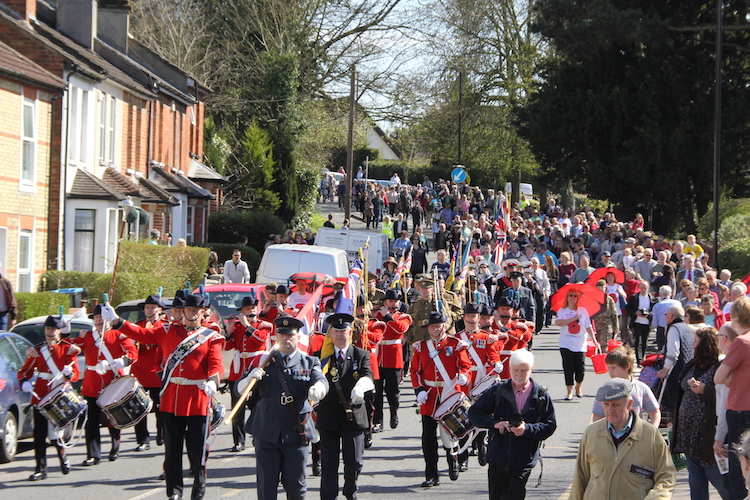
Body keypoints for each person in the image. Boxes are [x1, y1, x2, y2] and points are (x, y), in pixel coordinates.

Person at [101, 294, 224, 500]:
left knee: (198, 450)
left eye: (196, 310)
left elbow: (216, 363)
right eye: (188, 310)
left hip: (197, 399)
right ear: (182, 312)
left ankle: (198, 487)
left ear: (202, 312)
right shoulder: (167, 331)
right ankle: (174, 491)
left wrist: (213, 380)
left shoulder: (211, 337)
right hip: (170, 399)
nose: (192, 314)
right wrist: (117, 321)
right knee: (172, 450)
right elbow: (140, 334)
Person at [237, 317, 329, 500]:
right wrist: (249, 379)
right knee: (266, 486)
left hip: (296, 432)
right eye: (282, 334)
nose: (286, 339)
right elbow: (239, 389)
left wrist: (319, 389)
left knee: (296, 486)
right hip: (266, 431)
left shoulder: (309, 362)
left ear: (298, 337)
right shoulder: (263, 361)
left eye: (290, 335)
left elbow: (321, 380)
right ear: (276, 337)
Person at [468, 349, 556, 500]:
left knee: (514, 496)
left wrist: (526, 429)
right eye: (515, 370)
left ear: (531, 370)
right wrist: (495, 423)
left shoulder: (541, 395)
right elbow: (474, 413)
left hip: (524, 458)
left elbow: (549, 425)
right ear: (509, 370)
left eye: (524, 370)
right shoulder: (498, 391)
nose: (519, 374)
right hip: (498, 457)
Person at [570, 378, 676, 499]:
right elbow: (580, 477)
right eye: (606, 404)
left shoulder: (650, 435)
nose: (610, 410)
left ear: (630, 404)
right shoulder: (592, 433)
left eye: (616, 405)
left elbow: (666, 477)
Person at [315, 313, 374, 500]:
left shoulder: (361, 354)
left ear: (350, 332)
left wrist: (361, 386)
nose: (340, 335)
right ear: (330, 334)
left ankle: (350, 491)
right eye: (336, 331)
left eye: (344, 331)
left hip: (353, 417)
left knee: (354, 462)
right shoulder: (321, 357)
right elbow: (314, 378)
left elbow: (368, 376)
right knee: (329, 464)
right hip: (329, 416)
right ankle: (328, 497)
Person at [410, 311, 471, 486]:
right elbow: (415, 371)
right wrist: (419, 390)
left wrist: (463, 376)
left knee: (451, 433)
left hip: (449, 393)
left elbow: (465, 365)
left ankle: (453, 462)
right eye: (432, 327)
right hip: (429, 396)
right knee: (428, 437)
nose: (435, 330)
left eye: (438, 326)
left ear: (445, 326)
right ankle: (431, 474)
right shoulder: (422, 347)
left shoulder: (456, 344)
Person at [670, 327, 731, 500]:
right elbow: (681, 393)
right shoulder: (693, 364)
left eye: (696, 341)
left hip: (707, 435)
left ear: (705, 344)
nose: (692, 344)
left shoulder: (720, 366)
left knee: (719, 479)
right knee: (695, 481)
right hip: (688, 435)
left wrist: (705, 390)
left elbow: (726, 397)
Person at [73, 305, 138, 464]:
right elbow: (69, 346)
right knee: (92, 420)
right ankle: (93, 454)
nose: (99, 320)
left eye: (101, 317)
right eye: (96, 318)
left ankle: (115, 445)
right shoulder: (88, 336)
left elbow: (133, 353)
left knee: (112, 417)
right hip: (92, 383)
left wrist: (122, 361)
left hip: (112, 381)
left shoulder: (118, 334)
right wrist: (67, 332)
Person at [18, 316, 80, 481]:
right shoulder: (37, 350)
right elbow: (25, 371)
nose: (50, 332)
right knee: (39, 434)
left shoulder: (67, 349)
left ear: (59, 331)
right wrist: (24, 381)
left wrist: (69, 374)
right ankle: (40, 469)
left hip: (58, 393)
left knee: (57, 431)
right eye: (47, 329)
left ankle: (63, 457)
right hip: (40, 395)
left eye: (53, 329)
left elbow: (75, 374)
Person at [224, 295, 273, 452]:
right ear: (242, 311)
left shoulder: (264, 325)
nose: (251, 311)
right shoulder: (238, 326)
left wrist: (247, 326)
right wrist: (229, 330)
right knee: (237, 408)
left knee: (257, 407)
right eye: (247, 309)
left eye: (253, 308)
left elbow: (260, 341)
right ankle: (238, 441)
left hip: (256, 368)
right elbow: (227, 346)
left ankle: (258, 435)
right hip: (239, 370)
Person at [714, 296, 750, 499]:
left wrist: (731, 378)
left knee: (739, 471)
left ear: (736, 318)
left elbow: (719, 377)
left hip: (739, 410)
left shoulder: (740, 343)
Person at [131, 295, 167, 451]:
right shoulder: (138, 326)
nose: (149, 310)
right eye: (147, 307)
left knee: (161, 408)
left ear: (159, 310)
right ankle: (142, 440)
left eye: (152, 307)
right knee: (139, 409)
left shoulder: (165, 327)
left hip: (157, 374)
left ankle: (162, 435)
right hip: (140, 372)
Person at [591, 346, 661, 427]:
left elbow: (655, 412)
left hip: (636, 435)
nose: (610, 372)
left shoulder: (641, 388)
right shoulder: (606, 389)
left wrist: (653, 431)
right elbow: (597, 415)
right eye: (608, 367)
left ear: (627, 367)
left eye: (613, 367)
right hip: (611, 436)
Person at [373, 290, 412, 431]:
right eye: (390, 301)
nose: (393, 304)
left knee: (392, 391)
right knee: (376, 392)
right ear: (385, 303)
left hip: (393, 358)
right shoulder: (378, 316)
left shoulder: (404, 316)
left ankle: (394, 414)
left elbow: (400, 329)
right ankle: (378, 421)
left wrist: (388, 316)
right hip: (378, 358)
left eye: (395, 301)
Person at [555, 288, 599, 400]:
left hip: (580, 343)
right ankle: (569, 391)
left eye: (575, 296)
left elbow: (588, 326)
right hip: (566, 343)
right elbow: (558, 322)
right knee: (568, 367)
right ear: (567, 297)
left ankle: (578, 387)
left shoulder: (583, 311)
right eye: (571, 295)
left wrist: (594, 340)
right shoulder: (562, 310)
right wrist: (573, 318)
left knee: (580, 368)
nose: (573, 298)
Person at [656, 303, 694, 420]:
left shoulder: (674, 328)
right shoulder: (686, 327)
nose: (665, 316)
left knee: (674, 403)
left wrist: (665, 369)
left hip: (675, 372)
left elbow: (673, 353)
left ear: (671, 316)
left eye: (666, 314)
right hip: (686, 370)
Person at [626, 280, 655, 365]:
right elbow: (628, 309)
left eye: (645, 288)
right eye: (641, 288)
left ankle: (643, 357)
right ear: (639, 288)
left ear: (648, 288)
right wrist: (635, 313)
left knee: (645, 341)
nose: (643, 290)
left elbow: (654, 311)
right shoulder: (634, 297)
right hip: (637, 322)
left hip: (647, 323)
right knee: (638, 340)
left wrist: (648, 315)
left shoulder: (651, 298)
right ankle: (639, 360)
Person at [592, 279, 619, 350]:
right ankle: (599, 359)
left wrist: (616, 327)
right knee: (597, 345)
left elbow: (614, 313)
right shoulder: (593, 300)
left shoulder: (609, 299)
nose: (601, 289)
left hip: (607, 324)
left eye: (602, 287)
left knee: (604, 344)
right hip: (597, 324)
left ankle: (604, 359)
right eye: (599, 287)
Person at [0, 261, 17, 330]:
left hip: (2, 315)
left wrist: (13, 317)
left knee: (1, 337)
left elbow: (12, 299)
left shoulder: (5, 282)